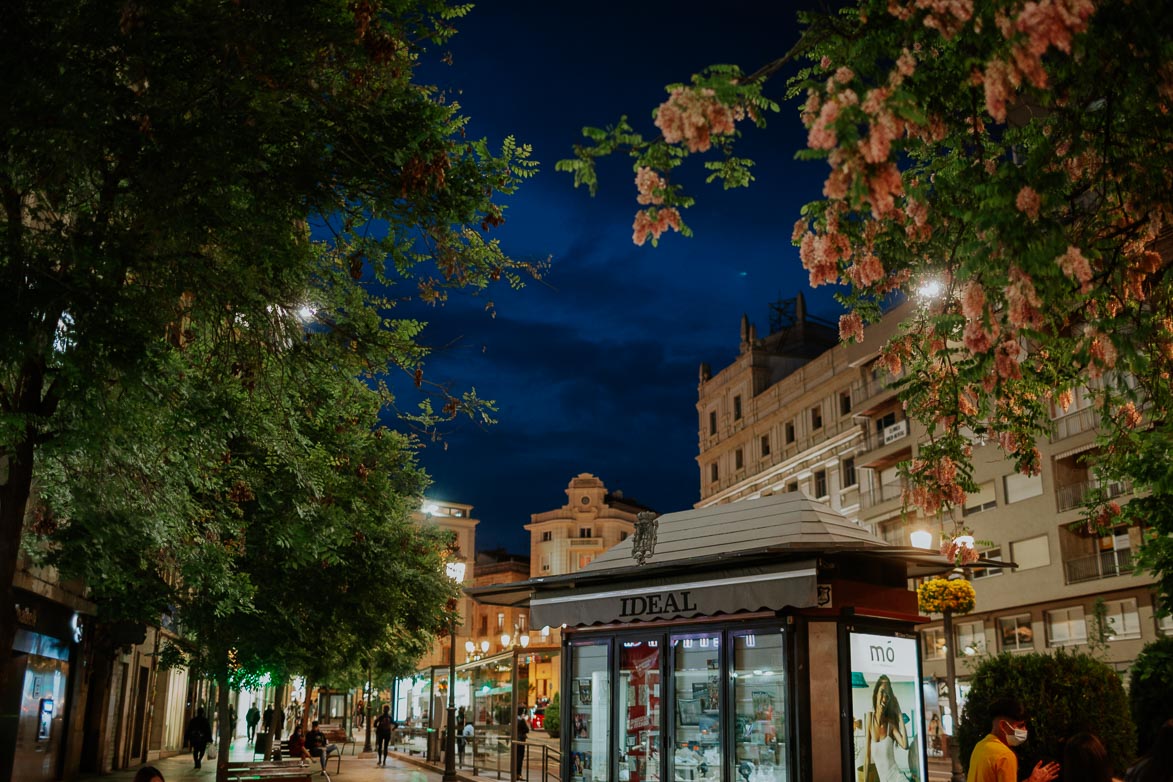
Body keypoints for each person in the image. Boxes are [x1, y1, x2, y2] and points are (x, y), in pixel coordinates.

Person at [967, 697, 1060, 782]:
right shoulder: (1005, 756)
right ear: (1003, 726)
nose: (1025, 730)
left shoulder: (980, 746)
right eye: (1020, 726)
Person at [862, 675, 908, 782]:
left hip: (897, 778)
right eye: (882, 692)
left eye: (887, 696)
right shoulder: (869, 718)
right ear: (876, 694)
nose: (884, 698)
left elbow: (905, 745)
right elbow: (867, 758)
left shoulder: (890, 725)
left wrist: (900, 714)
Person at [516, 706, 530, 778]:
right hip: (521, 740)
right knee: (520, 758)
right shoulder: (521, 720)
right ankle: (518, 774)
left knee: (515, 757)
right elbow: (527, 730)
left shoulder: (514, 719)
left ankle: (515, 773)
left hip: (515, 740)